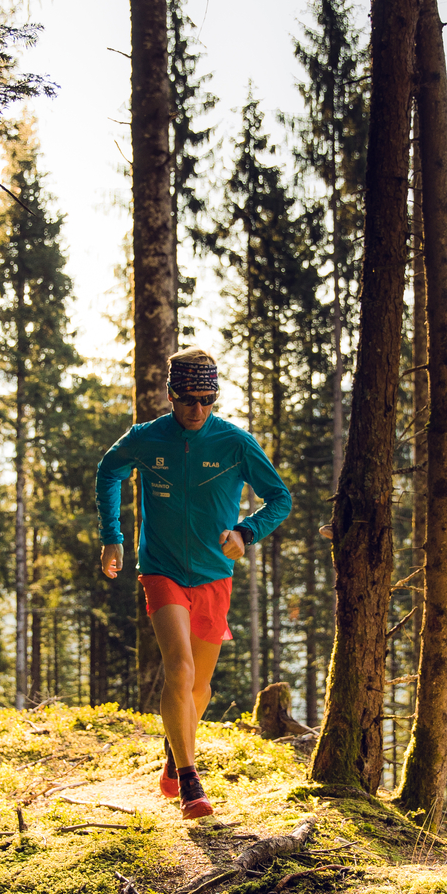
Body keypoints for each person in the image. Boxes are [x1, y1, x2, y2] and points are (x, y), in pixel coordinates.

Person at [96, 348, 292, 818]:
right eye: (187, 399)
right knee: (179, 670)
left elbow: (279, 498)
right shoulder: (147, 438)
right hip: (160, 568)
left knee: (199, 686)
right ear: (170, 395)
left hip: (213, 575)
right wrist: (112, 537)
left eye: (207, 399)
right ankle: (190, 782)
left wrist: (246, 533)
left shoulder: (234, 442)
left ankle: (174, 752)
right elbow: (109, 471)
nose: (197, 409)